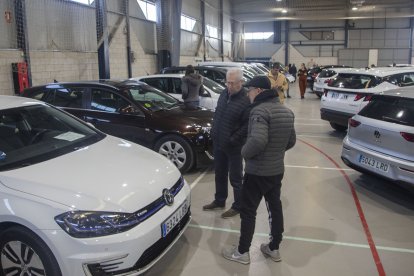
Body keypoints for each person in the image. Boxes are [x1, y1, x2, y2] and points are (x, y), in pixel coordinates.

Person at [222, 75, 296, 265]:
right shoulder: (286, 112)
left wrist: (244, 152)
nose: (248, 94)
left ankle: (242, 252)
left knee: (248, 212)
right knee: (274, 207)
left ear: (259, 91)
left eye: (250, 90)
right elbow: (291, 141)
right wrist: (275, 152)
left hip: (257, 173)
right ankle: (274, 248)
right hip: (277, 170)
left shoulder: (259, 112)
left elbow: (257, 141)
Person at [203, 68, 251, 218]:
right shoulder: (224, 93)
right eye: (227, 83)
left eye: (232, 83)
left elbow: (246, 126)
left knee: (236, 178)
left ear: (241, 82)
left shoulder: (246, 99)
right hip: (219, 143)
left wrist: (233, 139)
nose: (229, 86)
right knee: (219, 174)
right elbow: (218, 112)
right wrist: (213, 132)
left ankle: (238, 205)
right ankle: (219, 200)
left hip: (235, 147)